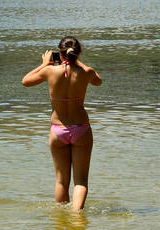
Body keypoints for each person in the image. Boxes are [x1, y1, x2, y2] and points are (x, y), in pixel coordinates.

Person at [21, 36, 102, 210]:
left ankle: (61, 221)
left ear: (60, 53)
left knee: (61, 181)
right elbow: (98, 81)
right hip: (81, 130)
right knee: (80, 181)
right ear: (77, 54)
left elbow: (25, 81)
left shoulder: (49, 72)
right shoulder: (86, 72)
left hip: (58, 131)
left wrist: (44, 64)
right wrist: (79, 63)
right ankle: (77, 217)